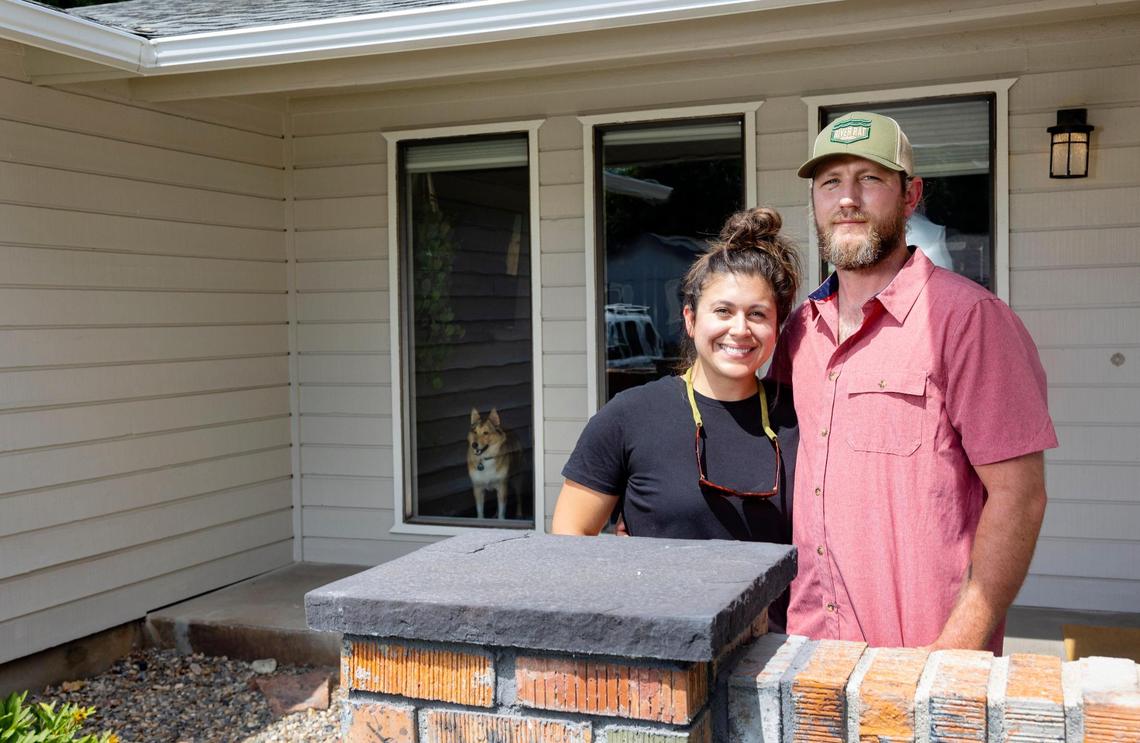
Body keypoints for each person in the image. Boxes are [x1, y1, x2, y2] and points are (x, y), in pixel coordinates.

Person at [772, 111, 1058, 652]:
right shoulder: (800, 331)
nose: (847, 199)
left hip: (921, 660)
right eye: (830, 182)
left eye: (870, 179)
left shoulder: (968, 319)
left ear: (910, 195)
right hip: (809, 648)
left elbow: (1020, 496)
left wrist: (953, 654)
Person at [551, 207, 802, 627]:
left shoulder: (799, 417)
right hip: (659, 654)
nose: (740, 329)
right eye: (723, 311)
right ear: (690, 319)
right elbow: (568, 542)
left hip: (773, 655)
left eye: (757, 314)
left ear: (777, 326)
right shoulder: (629, 417)